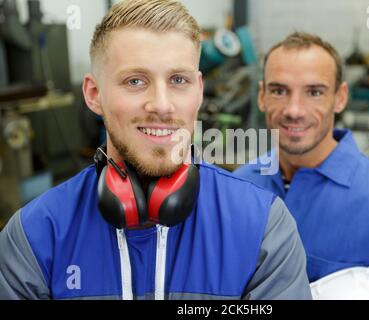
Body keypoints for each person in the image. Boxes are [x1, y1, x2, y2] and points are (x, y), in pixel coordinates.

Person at [0, 0, 312, 300]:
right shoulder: (33, 237)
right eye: (135, 81)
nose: (162, 105)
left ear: (199, 91)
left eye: (178, 80)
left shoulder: (263, 228)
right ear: (94, 94)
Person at [234, 31, 369, 299]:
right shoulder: (239, 189)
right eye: (279, 90)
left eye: (314, 92)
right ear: (262, 96)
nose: (294, 110)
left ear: (340, 97)